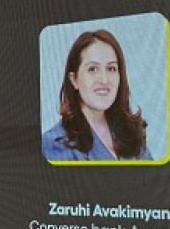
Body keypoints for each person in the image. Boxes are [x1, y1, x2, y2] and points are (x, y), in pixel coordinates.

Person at [42, 30, 151, 161]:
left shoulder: (132, 134)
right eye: (92, 69)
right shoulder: (54, 145)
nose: (104, 80)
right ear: (74, 80)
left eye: (111, 68)